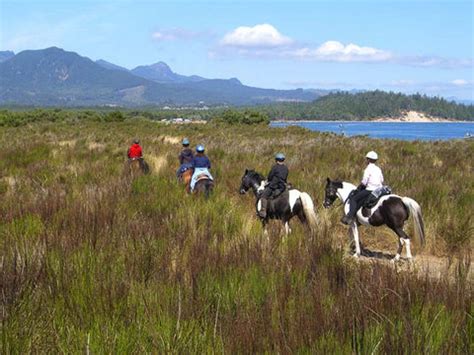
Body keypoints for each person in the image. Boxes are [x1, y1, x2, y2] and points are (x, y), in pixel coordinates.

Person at [341, 151, 384, 225]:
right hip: (379, 190)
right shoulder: (378, 169)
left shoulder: (367, 169)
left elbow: (364, 182)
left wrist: (360, 187)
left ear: (368, 160)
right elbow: (382, 180)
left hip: (370, 189)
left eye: (367, 159)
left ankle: (350, 217)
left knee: (354, 199)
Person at [258, 153, 289, 219]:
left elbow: (270, 177)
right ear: (283, 160)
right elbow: (285, 178)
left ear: (276, 160)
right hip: (282, 187)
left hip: (274, 186)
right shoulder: (286, 168)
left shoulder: (275, 167)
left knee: (263, 195)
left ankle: (263, 211)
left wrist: (267, 181)